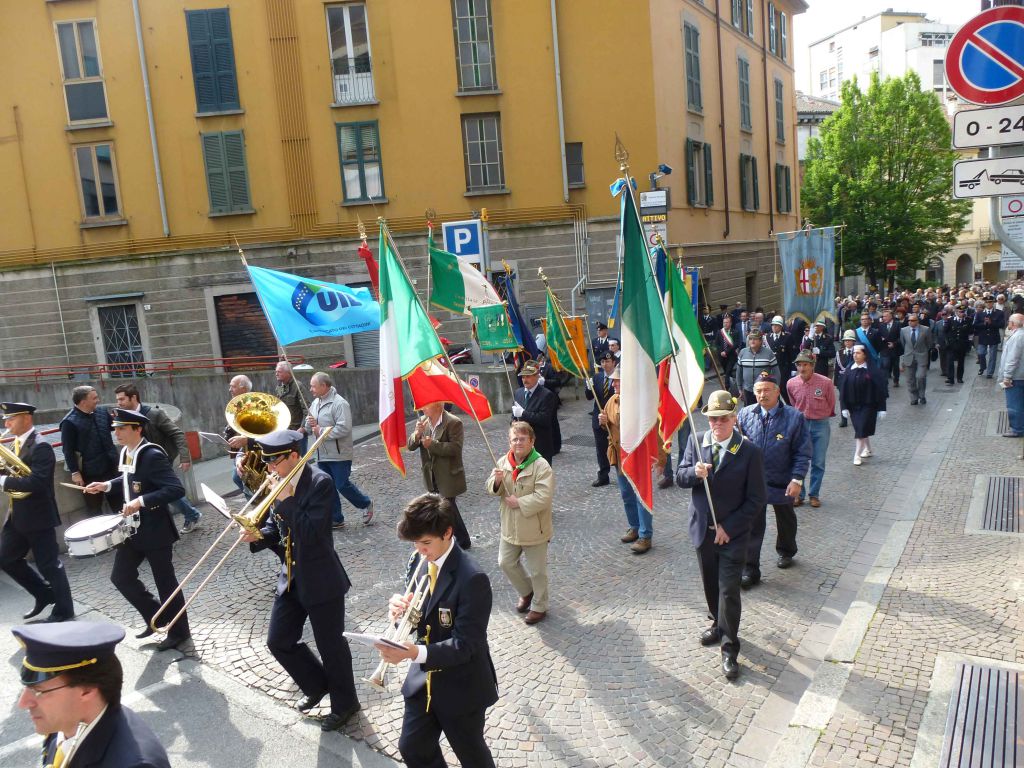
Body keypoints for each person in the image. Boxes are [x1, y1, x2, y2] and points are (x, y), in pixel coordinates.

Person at [241, 430, 361, 731]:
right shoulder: (278, 481)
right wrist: (258, 535)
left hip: (321, 578)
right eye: (268, 464)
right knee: (278, 641)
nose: (270, 469)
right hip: (291, 577)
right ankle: (318, 685)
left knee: (331, 646)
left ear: (295, 456)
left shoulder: (320, 482)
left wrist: (284, 501)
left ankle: (346, 704)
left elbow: (313, 534)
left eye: (275, 462)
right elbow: (274, 528)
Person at [376, 494, 498, 768]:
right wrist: (397, 614)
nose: (420, 550)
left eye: (426, 543)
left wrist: (413, 653)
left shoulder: (472, 578)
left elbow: (465, 645)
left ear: (447, 533)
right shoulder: (418, 562)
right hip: (424, 682)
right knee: (413, 749)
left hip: (461, 686)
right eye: (416, 543)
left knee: (472, 755)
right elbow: (416, 620)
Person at [676, 390, 766, 681]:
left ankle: (730, 649)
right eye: (713, 419)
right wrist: (694, 473)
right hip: (703, 530)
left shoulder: (748, 451)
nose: (717, 424)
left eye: (723, 419)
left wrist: (731, 527)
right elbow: (680, 477)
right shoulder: (696, 441)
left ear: (733, 418)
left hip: (733, 535)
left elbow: (756, 499)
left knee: (729, 590)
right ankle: (717, 624)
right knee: (710, 586)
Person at [84, 409, 191, 652]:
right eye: (115, 428)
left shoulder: (152, 455)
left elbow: (175, 489)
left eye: (121, 428)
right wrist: (106, 485)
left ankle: (179, 632)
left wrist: (140, 501)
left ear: (138, 429)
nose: (116, 433)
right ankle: (156, 616)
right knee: (121, 577)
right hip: (131, 530)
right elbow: (127, 480)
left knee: (166, 583)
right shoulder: (126, 452)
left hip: (155, 530)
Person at [13, 622, 171, 768]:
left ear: (87, 690)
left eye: (38, 691)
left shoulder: (134, 765)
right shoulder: (67, 722)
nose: (23, 702)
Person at [0, 402, 75, 622]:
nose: (7, 423)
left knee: (49, 565)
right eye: (6, 419)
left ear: (27, 418)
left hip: (38, 516)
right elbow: (10, 472)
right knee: (6, 559)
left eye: (11, 419)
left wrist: (4, 480)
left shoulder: (41, 446)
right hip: (17, 515)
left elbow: (38, 482)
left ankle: (64, 610)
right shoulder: (15, 443)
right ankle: (43, 594)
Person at [737, 373, 810, 586]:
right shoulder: (744, 415)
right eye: (758, 390)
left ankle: (787, 550)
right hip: (753, 482)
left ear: (777, 391)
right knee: (752, 524)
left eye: (767, 390)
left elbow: (802, 452)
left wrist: (797, 479)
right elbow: (734, 447)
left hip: (782, 479)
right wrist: (739, 443)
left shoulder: (794, 417)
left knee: (785, 518)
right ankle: (750, 569)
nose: (762, 394)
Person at [486, 422, 554, 625]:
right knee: (505, 562)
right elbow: (491, 488)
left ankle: (539, 606)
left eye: (522, 439)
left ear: (532, 441)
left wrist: (520, 502)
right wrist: (497, 482)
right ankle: (527, 592)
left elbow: (544, 496)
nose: (518, 442)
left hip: (535, 528)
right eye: (514, 439)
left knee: (537, 571)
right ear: (509, 441)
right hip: (510, 526)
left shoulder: (541, 465)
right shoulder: (503, 462)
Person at [114, 384, 203, 535]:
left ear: (133, 397)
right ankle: (186, 517)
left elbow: (178, 434)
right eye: (117, 400)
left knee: (166, 492)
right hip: (139, 462)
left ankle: (189, 516)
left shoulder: (154, 414)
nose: (119, 403)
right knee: (157, 494)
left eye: (122, 399)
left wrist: (184, 457)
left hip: (159, 460)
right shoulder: (125, 418)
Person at [600, 366, 656, 554]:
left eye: (617, 380)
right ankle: (634, 526)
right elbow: (609, 428)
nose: (613, 383)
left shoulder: (637, 403)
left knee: (640, 495)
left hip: (636, 455)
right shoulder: (612, 400)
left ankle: (645, 535)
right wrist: (603, 422)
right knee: (626, 494)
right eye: (614, 380)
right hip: (619, 454)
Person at [306, 371, 374, 528]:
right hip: (321, 454)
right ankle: (336, 518)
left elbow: (344, 428)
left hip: (339, 454)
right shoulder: (315, 403)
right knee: (327, 486)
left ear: (324, 386)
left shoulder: (339, 403)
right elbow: (310, 424)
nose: (311, 389)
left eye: (313, 386)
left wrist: (320, 431)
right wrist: (308, 424)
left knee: (341, 484)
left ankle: (365, 503)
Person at [407, 401, 472, 550]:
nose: (422, 408)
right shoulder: (423, 421)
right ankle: (451, 538)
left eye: (426, 405)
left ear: (437, 405)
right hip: (431, 475)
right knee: (446, 508)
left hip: (448, 475)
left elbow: (455, 448)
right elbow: (411, 445)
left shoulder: (453, 422)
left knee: (447, 507)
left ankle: (461, 540)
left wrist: (433, 445)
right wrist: (417, 434)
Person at [59, 385, 120, 516]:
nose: (98, 400)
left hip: (112, 467)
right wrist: (75, 472)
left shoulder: (103, 412)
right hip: (90, 473)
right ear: (83, 401)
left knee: (119, 503)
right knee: (94, 509)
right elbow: (67, 450)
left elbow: (117, 428)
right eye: (94, 398)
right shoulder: (69, 422)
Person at [787, 352, 836, 508]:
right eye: (799, 365)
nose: (802, 368)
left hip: (820, 425)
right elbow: (793, 402)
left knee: (818, 462)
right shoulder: (791, 384)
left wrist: (820, 415)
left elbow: (831, 403)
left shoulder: (826, 383)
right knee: (799, 461)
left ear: (812, 365)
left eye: (805, 364)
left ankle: (814, 494)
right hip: (800, 425)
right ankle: (799, 494)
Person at [840, 346, 888, 466]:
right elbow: (843, 390)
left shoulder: (873, 371)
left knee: (861, 428)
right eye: (854, 353)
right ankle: (868, 449)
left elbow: (880, 389)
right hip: (853, 406)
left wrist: (882, 408)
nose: (855, 355)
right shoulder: (849, 369)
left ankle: (857, 455)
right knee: (860, 429)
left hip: (868, 405)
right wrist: (843, 407)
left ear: (865, 354)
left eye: (858, 353)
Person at [511, 359, 560, 464]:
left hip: (540, 445)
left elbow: (544, 419)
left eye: (528, 376)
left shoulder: (547, 395)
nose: (525, 380)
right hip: (522, 445)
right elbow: (514, 416)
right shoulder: (518, 393)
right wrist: (513, 422)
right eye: (523, 377)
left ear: (537, 376)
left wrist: (523, 414)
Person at [585, 351, 618, 487]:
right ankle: (603, 475)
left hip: (614, 418)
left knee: (616, 445)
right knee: (601, 448)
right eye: (603, 362)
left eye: (608, 362)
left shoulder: (618, 378)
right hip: (598, 419)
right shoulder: (597, 377)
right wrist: (588, 387)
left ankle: (621, 472)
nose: (605, 364)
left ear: (614, 363)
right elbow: (589, 397)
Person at [224, 375, 254, 496]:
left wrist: (247, 440)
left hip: (253, 449)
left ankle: (258, 505)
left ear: (243, 388)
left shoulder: (254, 404)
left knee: (240, 478)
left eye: (233, 386)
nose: (230, 389)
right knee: (238, 478)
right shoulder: (236, 404)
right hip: (241, 450)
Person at [735, 330, 781, 406]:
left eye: (755, 339)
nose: (752, 341)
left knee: (765, 411)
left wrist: (776, 388)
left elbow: (776, 373)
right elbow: (739, 372)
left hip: (764, 391)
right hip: (748, 390)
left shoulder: (769, 353)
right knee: (750, 413)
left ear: (760, 341)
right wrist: (739, 388)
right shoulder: (742, 352)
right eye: (750, 339)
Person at [275, 361, 309, 454]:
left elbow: (307, 409)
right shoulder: (279, 387)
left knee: (300, 461)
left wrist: (302, 428)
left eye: (280, 371)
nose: (276, 373)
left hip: (297, 431)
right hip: (283, 431)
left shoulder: (298, 386)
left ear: (289, 373)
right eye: (276, 371)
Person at [899, 313, 933, 406]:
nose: (910, 322)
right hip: (908, 356)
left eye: (913, 320)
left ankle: (922, 395)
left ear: (917, 321)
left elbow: (929, 343)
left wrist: (924, 351)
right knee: (910, 379)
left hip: (921, 356)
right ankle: (914, 397)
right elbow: (903, 343)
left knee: (920, 376)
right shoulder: (903, 330)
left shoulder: (925, 329)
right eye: (909, 320)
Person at [1000, 313, 1024, 437]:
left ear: (1013, 324)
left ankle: (1017, 429)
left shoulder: (1017, 337)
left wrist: (1007, 376)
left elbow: (1013, 359)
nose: (1008, 323)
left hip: (1016, 376)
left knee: (1015, 403)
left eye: (1009, 321)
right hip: (1020, 375)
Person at [974, 296, 1005, 378]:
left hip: (993, 337)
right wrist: (983, 323)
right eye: (987, 302)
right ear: (985, 303)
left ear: (993, 303)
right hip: (983, 337)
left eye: (990, 302)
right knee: (981, 353)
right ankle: (982, 367)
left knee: (992, 356)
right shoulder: (979, 313)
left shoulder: (999, 312)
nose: (988, 303)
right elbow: (975, 325)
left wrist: (991, 322)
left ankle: (990, 373)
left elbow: (1001, 325)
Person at [944, 305, 972, 385]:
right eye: (960, 312)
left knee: (961, 362)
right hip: (951, 344)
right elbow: (945, 331)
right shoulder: (950, 320)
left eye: (963, 312)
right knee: (950, 362)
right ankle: (950, 378)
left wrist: (969, 344)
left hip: (962, 344)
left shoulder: (968, 320)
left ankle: (959, 377)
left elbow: (970, 332)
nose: (962, 313)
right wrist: (947, 341)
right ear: (956, 312)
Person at [715, 314, 742, 389]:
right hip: (722, 356)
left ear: (730, 323)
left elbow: (736, 344)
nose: (725, 324)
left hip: (731, 356)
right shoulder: (719, 332)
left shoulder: (735, 332)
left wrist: (726, 352)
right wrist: (721, 352)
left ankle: (726, 387)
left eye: (727, 322)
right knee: (727, 372)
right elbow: (716, 344)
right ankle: (732, 383)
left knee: (727, 372)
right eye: (724, 322)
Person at [877, 309, 902, 388]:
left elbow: (901, 337)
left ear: (891, 316)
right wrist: (880, 339)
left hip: (895, 349)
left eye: (885, 316)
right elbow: (878, 336)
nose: (884, 318)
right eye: (883, 316)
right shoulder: (881, 325)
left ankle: (896, 380)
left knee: (895, 366)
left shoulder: (897, 324)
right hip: (884, 349)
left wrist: (894, 344)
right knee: (885, 365)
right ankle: (884, 381)